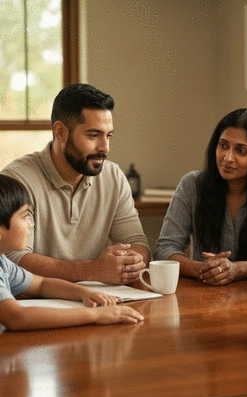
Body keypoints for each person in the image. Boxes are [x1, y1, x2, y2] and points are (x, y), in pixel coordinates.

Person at [1, 83, 150, 285]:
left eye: (108, 135)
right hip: (34, 306)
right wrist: (93, 270)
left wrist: (132, 261)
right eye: (93, 135)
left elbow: (138, 244)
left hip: (100, 300)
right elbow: (13, 261)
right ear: (61, 132)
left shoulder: (113, 176)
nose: (105, 148)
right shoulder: (17, 180)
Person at [154, 108, 247, 285]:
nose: (228, 158)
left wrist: (236, 270)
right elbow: (165, 248)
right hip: (203, 292)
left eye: (241, 151)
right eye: (223, 146)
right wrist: (204, 270)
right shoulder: (192, 184)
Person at [0, 174, 144, 332]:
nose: (30, 224)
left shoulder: (3, 263)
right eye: (24, 216)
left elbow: (42, 284)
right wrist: (95, 315)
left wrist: (85, 293)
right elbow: (17, 317)